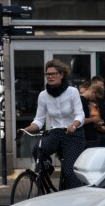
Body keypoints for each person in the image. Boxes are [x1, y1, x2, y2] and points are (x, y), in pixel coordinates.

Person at [22, 59, 85, 190]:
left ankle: (74, 198)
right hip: (56, 132)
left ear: (61, 75)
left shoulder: (72, 92)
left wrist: (73, 125)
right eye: (48, 74)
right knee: (38, 150)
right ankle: (47, 171)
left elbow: (80, 114)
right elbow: (39, 120)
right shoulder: (43, 96)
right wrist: (27, 129)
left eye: (53, 73)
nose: (50, 76)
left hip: (73, 134)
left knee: (69, 172)